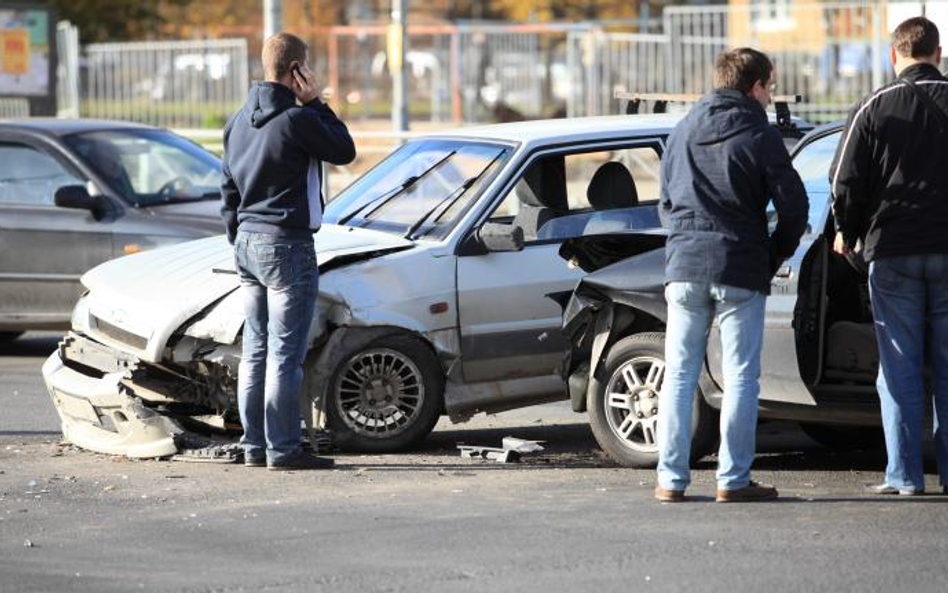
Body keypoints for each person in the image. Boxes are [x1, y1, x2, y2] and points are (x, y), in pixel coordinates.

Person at [656, 48, 808, 502]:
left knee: (680, 375)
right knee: (740, 376)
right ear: (755, 87)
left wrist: (684, 238)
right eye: (770, 86)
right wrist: (771, 254)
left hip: (683, 266)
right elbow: (795, 206)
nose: (770, 96)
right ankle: (733, 479)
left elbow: (665, 201)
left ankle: (670, 480)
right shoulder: (759, 133)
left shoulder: (682, 130)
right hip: (739, 265)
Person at [220, 32, 356, 471]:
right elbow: (344, 150)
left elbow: (227, 192)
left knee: (255, 350)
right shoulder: (299, 120)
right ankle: (283, 448)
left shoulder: (237, 121)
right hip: (286, 245)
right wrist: (316, 102)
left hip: (246, 243)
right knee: (284, 354)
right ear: (297, 69)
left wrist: (238, 236)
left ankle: (254, 446)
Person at [831, 16, 948, 496]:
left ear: (894, 56)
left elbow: (844, 181)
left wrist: (848, 232)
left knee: (898, 367)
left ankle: (904, 476)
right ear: (939, 54)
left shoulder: (874, 105)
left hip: (894, 252)